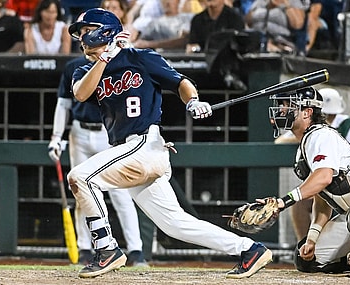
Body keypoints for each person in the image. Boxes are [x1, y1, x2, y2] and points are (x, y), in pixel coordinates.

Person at [67, 8, 272, 279]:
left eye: (86, 31)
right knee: (175, 224)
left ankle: (107, 249)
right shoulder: (85, 69)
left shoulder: (139, 58)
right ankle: (249, 249)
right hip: (127, 151)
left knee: (80, 177)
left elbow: (180, 82)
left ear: (104, 31)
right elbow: (82, 94)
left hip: (145, 145)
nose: (82, 38)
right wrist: (104, 59)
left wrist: (194, 101)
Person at [263, 87, 350, 277]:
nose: (282, 111)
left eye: (288, 106)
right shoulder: (304, 147)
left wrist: (283, 201)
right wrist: (312, 238)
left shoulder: (320, 134)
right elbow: (322, 200)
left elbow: (324, 177)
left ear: (307, 112)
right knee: (307, 260)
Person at [48, 54, 147, 266]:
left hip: (109, 132)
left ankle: (136, 250)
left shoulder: (119, 64)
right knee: (81, 192)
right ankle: (85, 248)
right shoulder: (74, 67)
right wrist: (56, 137)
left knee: (121, 193)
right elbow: (63, 104)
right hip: (79, 133)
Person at [289, 87, 350, 241]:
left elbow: (327, 174)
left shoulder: (341, 126)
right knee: (308, 261)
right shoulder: (307, 133)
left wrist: (284, 200)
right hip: (332, 189)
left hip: (349, 182)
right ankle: (304, 243)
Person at [245, 0, 310, 54]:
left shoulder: (294, 2)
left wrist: (284, 3)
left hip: (282, 45)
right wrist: (269, 5)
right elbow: (248, 20)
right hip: (256, 43)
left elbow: (297, 24)